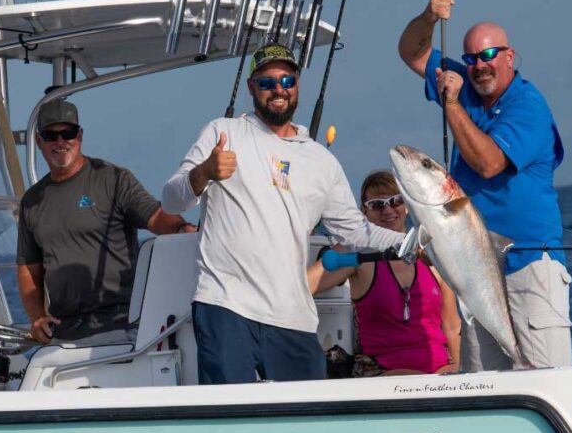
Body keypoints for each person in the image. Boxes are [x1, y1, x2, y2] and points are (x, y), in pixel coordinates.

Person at [162, 43, 408, 384]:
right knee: (231, 411)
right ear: (252, 87)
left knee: (308, 413)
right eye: (267, 82)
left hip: (294, 317)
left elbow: (354, 231)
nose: (278, 89)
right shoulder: (223, 132)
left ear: (297, 85)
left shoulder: (322, 160)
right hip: (226, 306)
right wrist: (203, 172)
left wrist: (411, 243)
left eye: (287, 80)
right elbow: (171, 201)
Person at [396, 0, 571, 370]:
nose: (479, 66)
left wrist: (452, 104)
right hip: (474, 267)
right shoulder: (466, 87)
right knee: (483, 382)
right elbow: (412, 51)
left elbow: (489, 163)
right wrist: (428, 16)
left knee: (544, 377)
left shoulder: (528, 106)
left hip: (528, 265)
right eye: (472, 58)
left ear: (509, 56)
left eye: (489, 55)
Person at [16, 99, 191, 344]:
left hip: (121, 324)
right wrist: (37, 318)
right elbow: (28, 268)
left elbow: (156, 215)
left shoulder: (113, 179)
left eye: (68, 133)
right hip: (64, 332)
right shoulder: (31, 201)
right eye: (51, 135)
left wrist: (182, 229)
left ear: (80, 136)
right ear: (38, 141)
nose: (60, 142)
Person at [310, 170, 461, 375]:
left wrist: (456, 370)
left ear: (407, 205)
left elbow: (451, 325)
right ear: (364, 212)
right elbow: (305, 285)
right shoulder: (356, 253)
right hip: (382, 372)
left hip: (440, 372)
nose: (388, 210)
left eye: (395, 201)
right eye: (377, 205)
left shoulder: (431, 255)